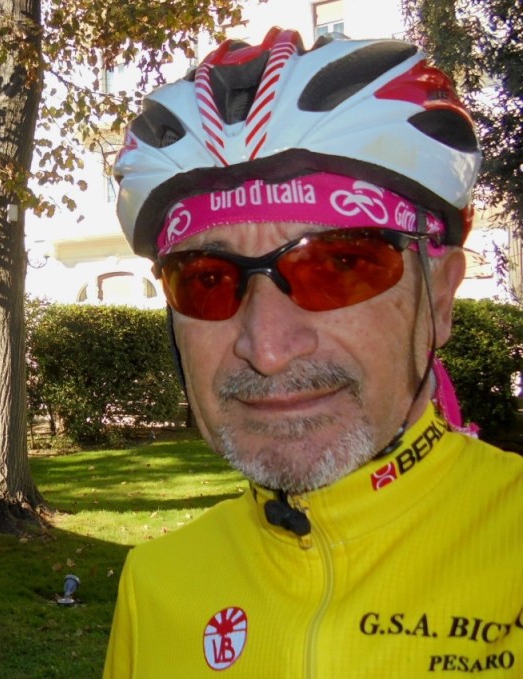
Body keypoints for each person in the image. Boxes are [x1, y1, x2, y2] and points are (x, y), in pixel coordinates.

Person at [103, 27, 523, 678]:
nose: (268, 348)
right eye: (207, 280)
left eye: (341, 264)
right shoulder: (154, 583)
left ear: (439, 296)